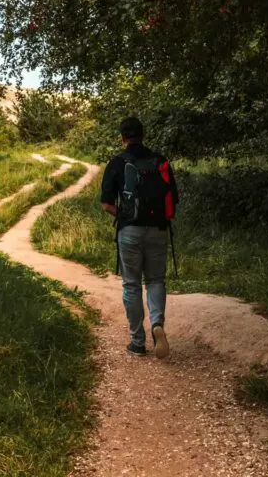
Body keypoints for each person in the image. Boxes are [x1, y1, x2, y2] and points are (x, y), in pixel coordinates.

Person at [100, 117, 178, 358]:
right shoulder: (159, 160)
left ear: (123, 137)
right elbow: (173, 199)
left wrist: (123, 214)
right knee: (155, 280)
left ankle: (137, 342)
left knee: (132, 284)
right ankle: (157, 325)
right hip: (158, 230)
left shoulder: (117, 162)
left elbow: (106, 204)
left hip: (130, 231)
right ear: (143, 135)